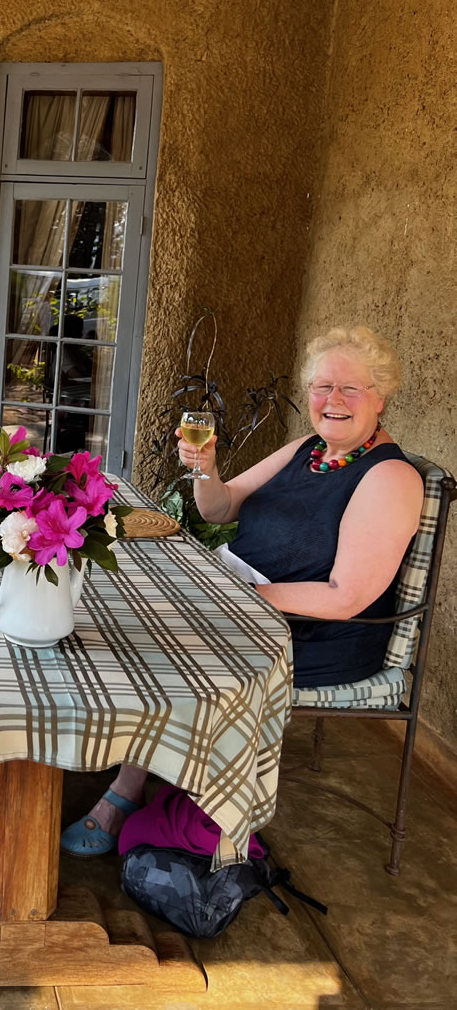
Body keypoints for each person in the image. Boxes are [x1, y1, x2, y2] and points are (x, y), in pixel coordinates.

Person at [60, 325, 423, 857]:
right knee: (130, 603)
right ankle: (135, 747)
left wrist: (232, 596)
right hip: (248, 600)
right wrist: (205, 471)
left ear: (380, 397)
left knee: (167, 639)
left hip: (313, 634)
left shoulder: (389, 478)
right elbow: (221, 507)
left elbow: (346, 596)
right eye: (323, 387)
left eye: (351, 388)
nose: (334, 400)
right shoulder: (307, 449)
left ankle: (127, 790)